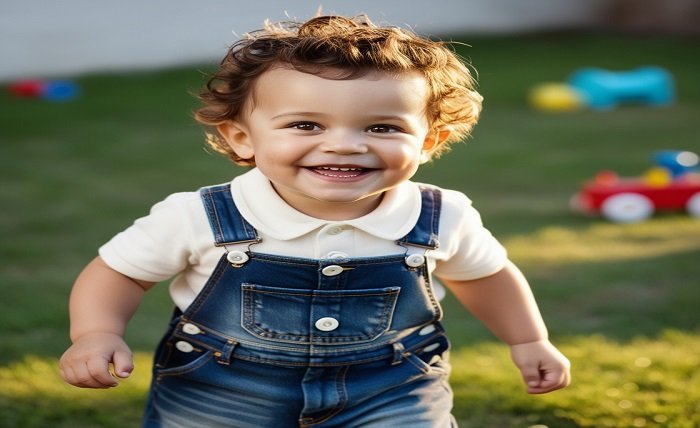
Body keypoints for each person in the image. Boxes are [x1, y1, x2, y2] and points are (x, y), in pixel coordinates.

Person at [59, 14, 570, 427]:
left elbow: (485, 275)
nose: (345, 143)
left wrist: (528, 339)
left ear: (429, 142)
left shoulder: (441, 215)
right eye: (306, 124)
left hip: (391, 387)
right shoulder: (200, 215)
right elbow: (119, 271)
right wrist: (96, 333)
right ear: (242, 138)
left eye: (382, 126)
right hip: (223, 391)